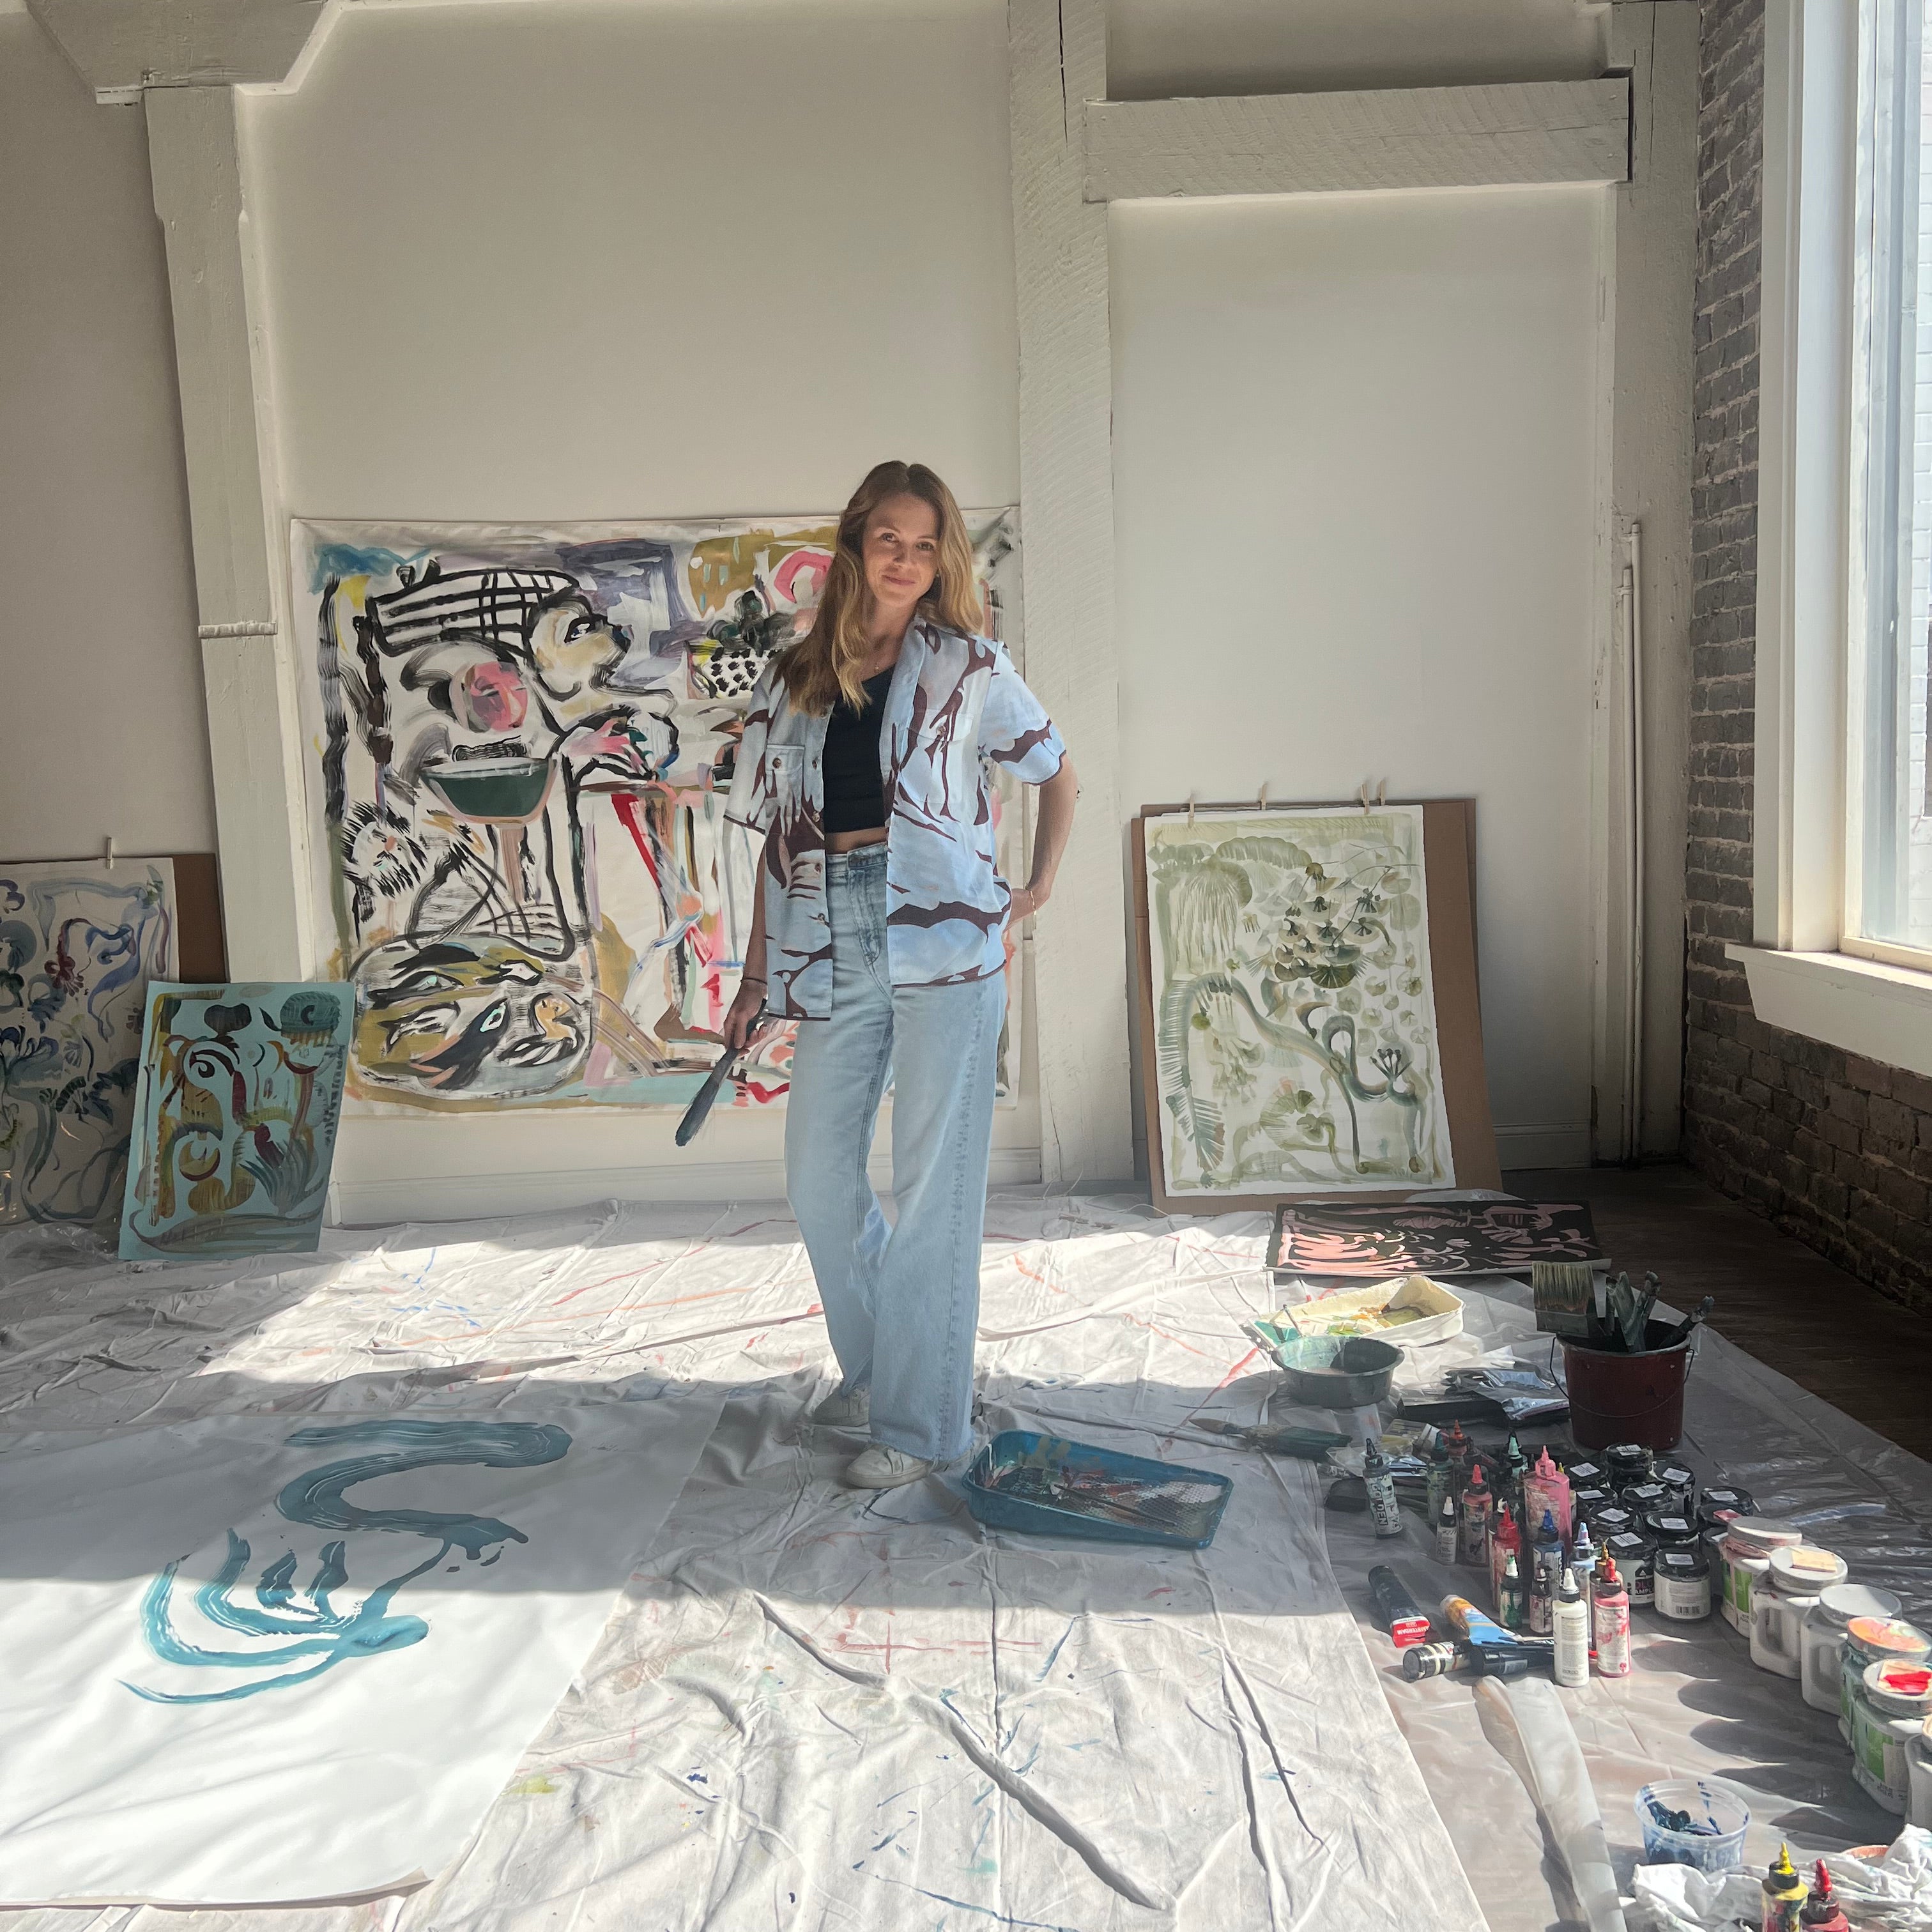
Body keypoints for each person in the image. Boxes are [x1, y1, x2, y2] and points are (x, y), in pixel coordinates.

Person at [723, 461, 1078, 1491]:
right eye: (890, 540)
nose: (907, 561)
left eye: (926, 546)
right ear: (855, 544)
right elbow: (776, 841)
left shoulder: (970, 666)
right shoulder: (798, 675)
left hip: (947, 943)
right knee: (817, 1173)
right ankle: (883, 1372)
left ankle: (924, 1426)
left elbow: (1059, 773)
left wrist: (1036, 886)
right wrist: (753, 980)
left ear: (941, 558)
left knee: (932, 1190)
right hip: (832, 932)